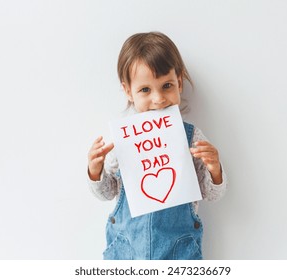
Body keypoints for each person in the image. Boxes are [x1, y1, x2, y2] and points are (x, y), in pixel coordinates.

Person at [87, 31, 227, 260]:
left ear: (179, 83)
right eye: (145, 89)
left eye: (167, 85)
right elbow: (107, 192)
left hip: (178, 249)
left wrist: (215, 170)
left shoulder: (191, 137)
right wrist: (95, 171)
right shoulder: (122, 138)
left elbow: (211, 194)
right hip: (127, 248)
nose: (159, 99)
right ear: (128, 91)